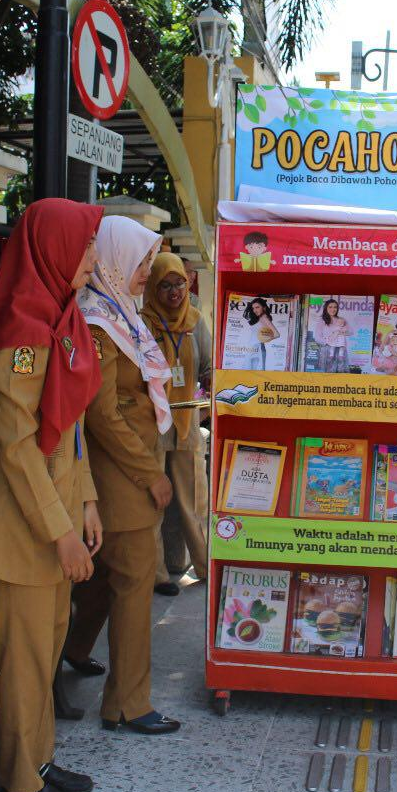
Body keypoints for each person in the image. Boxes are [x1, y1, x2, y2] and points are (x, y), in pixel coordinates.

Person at [0, 199, 105, 792]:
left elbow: (71, 429)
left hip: (57, 521)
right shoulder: (22, 334)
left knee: (46, 651)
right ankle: (19, 788)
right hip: (27, 532)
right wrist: (61, 532)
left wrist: (90, 503)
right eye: (87, 245)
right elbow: (19, 449)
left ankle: (39, 763)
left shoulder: (62, 318)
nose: (93, 259)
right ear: (53, 249)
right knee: (24, 664)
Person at [61, 215, 181, 735]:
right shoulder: (98, 322)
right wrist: (149, 473)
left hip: (121, 471)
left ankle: (69, 650)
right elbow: (103, 413)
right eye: (141, 263)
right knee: (134, 582)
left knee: (105, 577)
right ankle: (128, 704)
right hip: (120, 476)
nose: (146, 273)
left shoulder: (118, 313)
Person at [140, 253, 212, 597]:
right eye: (165, 285)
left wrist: (211, 398)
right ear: (153, 286)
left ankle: (205, 565)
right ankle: (156, 573)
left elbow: (209, 369)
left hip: (186, 418)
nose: (174, 292)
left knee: (192, 499)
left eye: (180, 283)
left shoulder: (196, 322)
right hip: (151, 422)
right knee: (151, 500)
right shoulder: (142, 323)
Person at [311, 298, 350, 372]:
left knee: (340, 374)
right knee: (327, 374)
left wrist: (340, 332)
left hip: (340, 350)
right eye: (330, 307)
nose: (333, 309)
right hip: (327, 351)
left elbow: (350, 332)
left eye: (335, 307)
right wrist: (328, 341)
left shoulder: (341, 320)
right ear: (326, 308)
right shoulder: (321, 320)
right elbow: (317, 337)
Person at [243, 297, 278, 370]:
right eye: (253, 308)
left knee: (257, 373)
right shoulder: (259, 318)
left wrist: (262, 340)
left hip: (258, 349)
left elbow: (276, 334)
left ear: (264, 308)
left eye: (257, 307)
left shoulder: (264, 318)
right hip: (251, 348)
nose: (255, 310)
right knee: (250, 373)